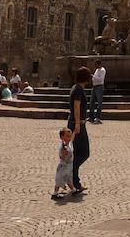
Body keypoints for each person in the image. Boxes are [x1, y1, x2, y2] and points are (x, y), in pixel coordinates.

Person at [68, 67, 93, 195]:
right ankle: (72, 175)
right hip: (77, 125)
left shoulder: (76, 88)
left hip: (76, 123)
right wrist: (78, 123)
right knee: (84, 153)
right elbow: (76, 106)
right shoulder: (78, 90)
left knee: (77, 153)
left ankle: (75, 182)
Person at [52, 128, 75, 199]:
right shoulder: (63, 147)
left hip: (68, 166)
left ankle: (73, 190)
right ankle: (55, 193)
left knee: (68, 178)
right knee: (59, 180)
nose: (69, 138)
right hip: (63, 167)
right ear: (62, 137)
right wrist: (64, 154)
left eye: (70, 136)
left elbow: (72, 139)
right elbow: (61, 157)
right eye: (67, 136)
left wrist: (74, 132)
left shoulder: (69, 143)